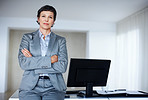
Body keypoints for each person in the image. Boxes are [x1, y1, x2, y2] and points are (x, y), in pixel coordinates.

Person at [18, 5, 68, 100]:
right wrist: (50, 60)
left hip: (54, 87)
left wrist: (33, 62)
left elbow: (62, 66)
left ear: (53, 21)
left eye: (50, 17)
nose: (46, 20)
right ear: (38, 19)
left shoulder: (60, 40)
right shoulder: (27, 38)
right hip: (30, 87)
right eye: (43, 16)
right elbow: (23, 63)